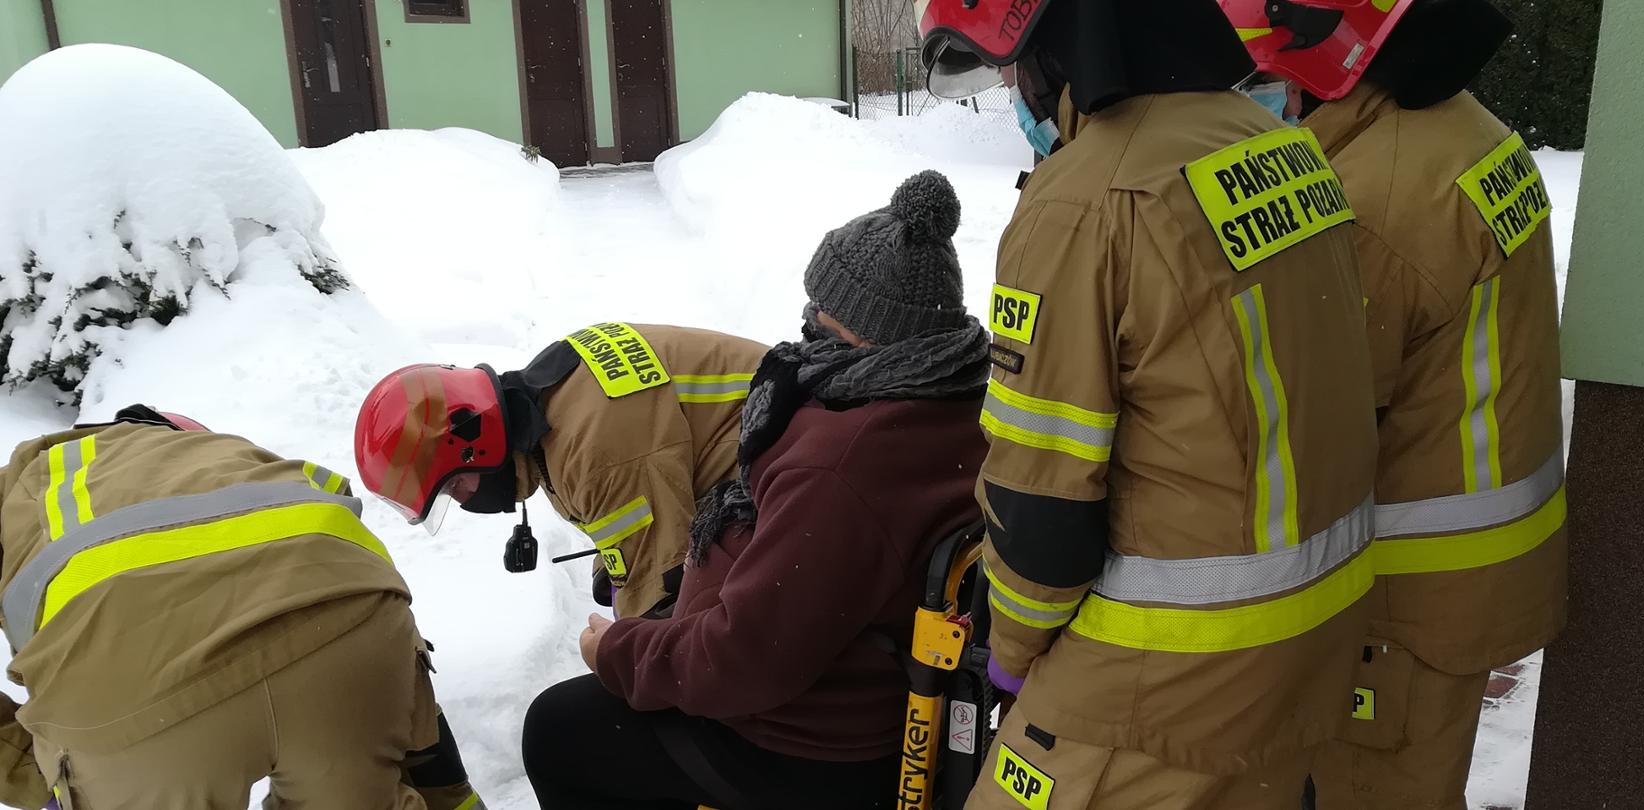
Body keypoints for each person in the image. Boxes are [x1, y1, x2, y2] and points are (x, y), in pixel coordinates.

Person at [918, 0, 1381, 807]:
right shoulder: (1284, 149)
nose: (1015, 91)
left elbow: (1043, 508)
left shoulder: (1081, 202)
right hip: (1311, 633)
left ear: (1059, 44)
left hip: (1166, 667)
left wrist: (1013, 650)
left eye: (1009, 67)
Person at [519, 170, 990, 810]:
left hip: (805, 745)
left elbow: (746, 659)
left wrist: (618, 652)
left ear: (861, 333)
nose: (803, 332)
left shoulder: (845, 464)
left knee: (559, 729)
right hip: (858, 690)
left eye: (817, 316)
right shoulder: (952, 399)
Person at [1220, 1, 1570, 807]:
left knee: (1369, 792)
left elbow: (1310, 417)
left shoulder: (1373, 203)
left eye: (1266, 76)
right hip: (1469, 563)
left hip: (1404, 592)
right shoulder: (1465, 132)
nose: (1259, 95)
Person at [0, 405, 482, 810]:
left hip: (133, 707)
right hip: (347, 630)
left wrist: (37, 767)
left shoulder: (20, 493)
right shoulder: (231, 453)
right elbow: (358, 570)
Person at [355, 322, 768, 619]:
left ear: (471, 441)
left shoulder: (591, 449)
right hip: (773, 450)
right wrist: (614, 565)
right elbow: (644, 480)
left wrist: (615, 654)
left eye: (454, 486)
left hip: (790, 465)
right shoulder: (555, 402)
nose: (463, 500)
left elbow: (663, 591)